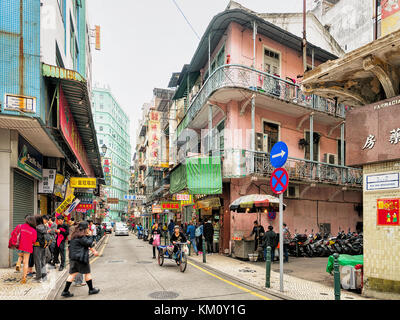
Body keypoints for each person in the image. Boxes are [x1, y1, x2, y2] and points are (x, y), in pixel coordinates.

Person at [61, 221, 100, 298]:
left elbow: (86, 244)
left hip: (73, 258)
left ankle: (65, 291)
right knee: (87, 273)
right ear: (85, 228)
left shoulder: (75, 235)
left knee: (72, 274)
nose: (88, 229)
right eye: (88, 227)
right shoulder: (81, 237)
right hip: (81, 258)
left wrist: (93, 250)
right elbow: (89, 243)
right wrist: (91, 235)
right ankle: (91, 289)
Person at [15, 215, 37, 284]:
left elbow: (16, 234)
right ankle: (24, 278)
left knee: (20, 256)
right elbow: (34, 240)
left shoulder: (21, 226)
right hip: (28, 247)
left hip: (20, 245)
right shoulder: (33, 230)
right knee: (26, 262)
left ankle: (18, 262)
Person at [32, 215, 51, 282]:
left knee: (37, 261)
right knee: (42, 260)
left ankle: (38, 277)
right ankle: (44, 276)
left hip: (37, 245)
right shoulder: (45, 227)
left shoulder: (37, 227)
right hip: (44, 245)